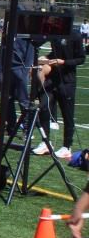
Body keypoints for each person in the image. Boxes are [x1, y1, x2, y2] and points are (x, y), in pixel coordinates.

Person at [32, 26, 85, 160]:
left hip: (67, 81)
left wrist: (64, 62)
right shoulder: (54, 34)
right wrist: (46, 58)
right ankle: (46, 142)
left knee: (67, 114)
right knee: (44, 105)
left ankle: (67, 146)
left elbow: (81, 58)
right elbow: (55, 54)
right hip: (53, 78)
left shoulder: (75, 35)